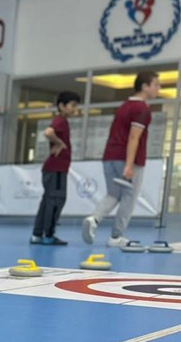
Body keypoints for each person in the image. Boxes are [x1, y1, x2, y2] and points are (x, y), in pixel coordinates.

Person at [82, 71, 161, 247]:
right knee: (129, 197)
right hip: (126, 159)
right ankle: (116, 237)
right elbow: (134, 138)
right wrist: (129, 165)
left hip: (109, 157)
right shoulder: (142, 109)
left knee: (113, 194)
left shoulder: (124, 106)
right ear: (144, 86)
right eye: (156, 84)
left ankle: (94, 218)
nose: (159, 88)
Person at [30, 90, 81, 246]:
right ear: (61, 106)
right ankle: (49, 235)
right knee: (56, 201)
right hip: (56, 169)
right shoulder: (60, 121)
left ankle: (37, 234)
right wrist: (59, 143)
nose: (74, 109)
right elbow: (48, 132)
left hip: (54, 169)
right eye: (72, 105)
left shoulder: (62, 121)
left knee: (47, 201)